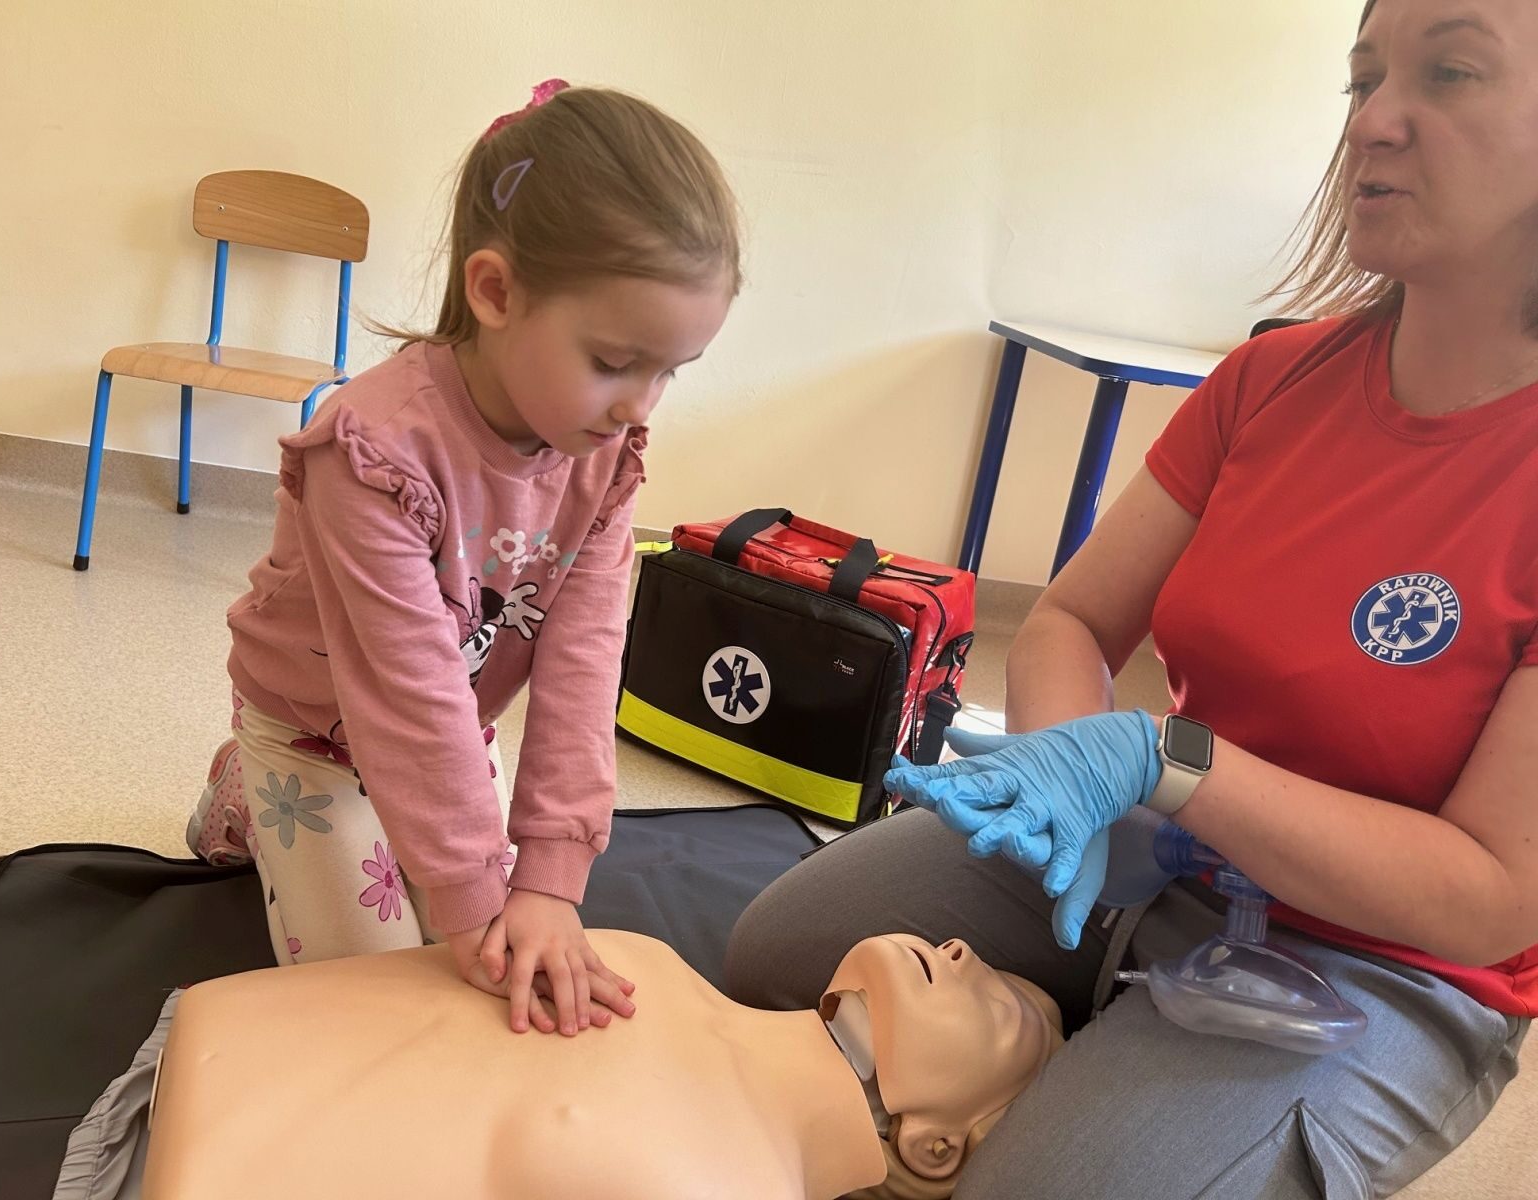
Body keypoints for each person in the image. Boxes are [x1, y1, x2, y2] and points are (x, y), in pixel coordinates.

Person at [726, 1, 1538, 1196]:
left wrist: (1165, 759)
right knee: (773, 958)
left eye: (1451, 73)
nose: (1373, 121)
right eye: (1362, 79)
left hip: (1378, 963)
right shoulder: (1269, 380)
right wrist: (1072, 795)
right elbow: (1068, 621)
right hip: (1159, 849)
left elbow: (1490, 898)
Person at [184, 80, 741, 1039]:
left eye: (668, 372)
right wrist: (478, 905)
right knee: (385, 994)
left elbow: (581, 663)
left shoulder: (605, 459)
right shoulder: (371, 452)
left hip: (452, 721)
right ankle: (245, 787)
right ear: (495, 292)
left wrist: (551, 878)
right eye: (615, 363)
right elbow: (406, 692)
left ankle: (320, 822)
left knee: (485, 942)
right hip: (313, 730)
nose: (638, 407)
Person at [143, 930, 1065, 1200]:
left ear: (935, 1148)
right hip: (211, 1042)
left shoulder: (734, 1183)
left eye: (993, 1004)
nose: (958, 950)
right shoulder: (660, 965)